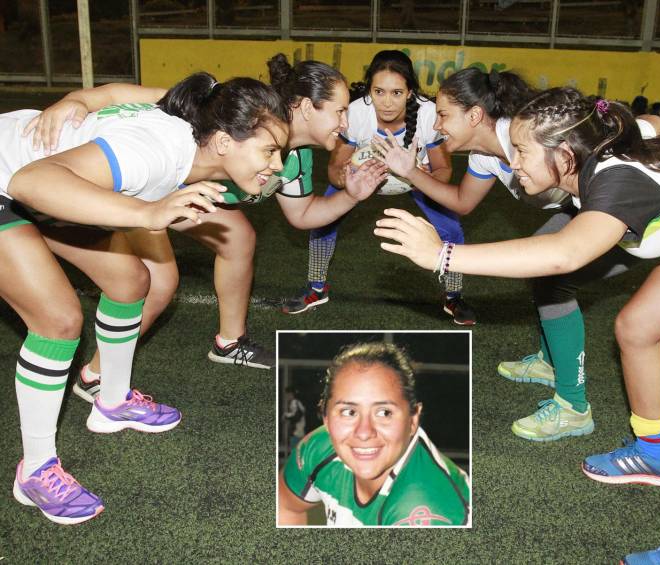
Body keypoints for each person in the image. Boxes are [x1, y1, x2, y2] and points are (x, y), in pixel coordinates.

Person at [374, 86, 660, 563]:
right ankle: (653, 453)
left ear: (565, 155)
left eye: (522, 151)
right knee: (636, 327)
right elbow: (657, 128)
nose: (514, 162)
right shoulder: (606, 140)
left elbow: (566, 254)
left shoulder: (614, 182)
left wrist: (441, 254)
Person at [2, 71, 291, 524]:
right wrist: (147, 212)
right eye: (269, 151)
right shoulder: (155, 152)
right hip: (14, 184)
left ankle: (111, 403)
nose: (277, 165)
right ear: (222, 142)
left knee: (130, 281)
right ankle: (35, 470)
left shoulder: (193, 129)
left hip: (40, 186)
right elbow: (29, 182)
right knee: (57, 320)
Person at [30, 55, 386, 402]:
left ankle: (229, 341)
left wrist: (351, 196)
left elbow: (303, 214)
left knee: (238, 237)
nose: (345, 123)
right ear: (308, 108)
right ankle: (98, 377)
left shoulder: (293, 158)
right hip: (131, 183)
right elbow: (125, 96)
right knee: (154, 283)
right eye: (340, 111)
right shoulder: (237, 114)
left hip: (169, 191)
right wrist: (75, 100)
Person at [281, 50, 476, 325]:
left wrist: (418, 175)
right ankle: (316, 288)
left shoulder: (429, 114)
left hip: (414, 179)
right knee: (322, 221)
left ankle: (453, 296)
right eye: (378, 91)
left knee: (451, 229)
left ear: (410, 93)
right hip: (363, 179)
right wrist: (350, 179)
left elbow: (443, 171)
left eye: (397, 93)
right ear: (369, 91)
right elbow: (334, 171)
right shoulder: (354, 114)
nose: (386, 102)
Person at [278, 341, 471, 526]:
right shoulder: (319, 449)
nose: (364, 432)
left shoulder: (424, 509)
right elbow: (285, 506)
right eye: (349, 412)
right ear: (326, 418)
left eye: (384, 412)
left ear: (413, 420)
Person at [282, 385, 306, 452]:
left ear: (291, 394)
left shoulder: (294, 402)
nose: (286, 397)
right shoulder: (298, 402)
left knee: (295, 451)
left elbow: (296, 415)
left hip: (297, 431)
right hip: (301, 430)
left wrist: (286, 415)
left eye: (287, 394)